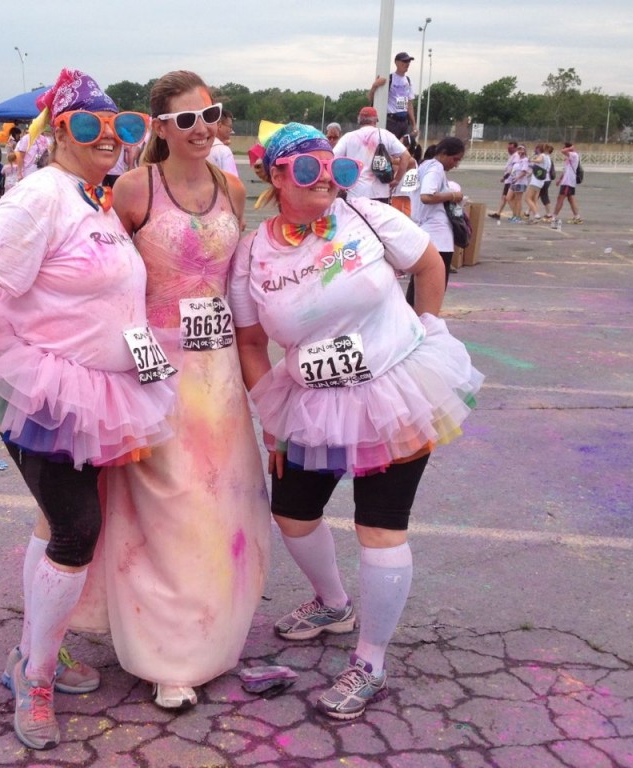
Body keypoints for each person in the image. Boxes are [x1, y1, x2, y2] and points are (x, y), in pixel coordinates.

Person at [0, 67, 172, 751]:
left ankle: (32, 652)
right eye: (89, 124)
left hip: (102, 389)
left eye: (124, 125)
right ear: (57, 130)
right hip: (44, 387)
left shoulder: (89, 196)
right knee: (77, 528)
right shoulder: (39, 194)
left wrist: (152, 369)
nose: (110, 136)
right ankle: (34, 677)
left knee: (55, 520)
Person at [230, 122, 482, 721]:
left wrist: (430, 326)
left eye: (335, 168)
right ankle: (333, 603)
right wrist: (269, 411)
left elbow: (429, 265)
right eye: (309, 170)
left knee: (380, 525)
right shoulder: (253, 252)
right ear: (274, 176)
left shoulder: (367, 217)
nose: (328, 181)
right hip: (310, 401)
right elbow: (250, 340)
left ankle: (370, 660)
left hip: (395, 388)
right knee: (292, 513)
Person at [79, 69, 270, 711]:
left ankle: (211, 635)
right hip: (155, 371)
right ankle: (165, 655)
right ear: (159, 125)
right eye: (185, 119)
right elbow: (109, 280)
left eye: (209, 114)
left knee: (220, 508)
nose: (200, 129)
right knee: (164, 506)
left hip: (216, 377)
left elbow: (237, 284)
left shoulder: (233, 189)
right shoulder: (133, 189)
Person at [408, 137, 465, 303]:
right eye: (455, 159)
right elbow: (427, 196)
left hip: (427, 232)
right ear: (444, 153)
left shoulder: (424, 167)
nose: (455, 164)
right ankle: (423, 321)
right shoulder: (436, 168)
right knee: (434, 287)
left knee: (419, 285)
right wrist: (454, 195)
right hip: (438, 236)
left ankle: (413, 320)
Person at [333, 106, 413, 203]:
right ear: (376, 120)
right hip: (381, 193)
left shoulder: (348, 137)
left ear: (359, 120)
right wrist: (397, 180)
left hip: (356, 193)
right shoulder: (386, 135)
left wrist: (341, 182)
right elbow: (406, 156)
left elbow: (333, 159)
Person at [368, 52, 416, 139]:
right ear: (396, 62)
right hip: (391, 121)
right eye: (404, 61)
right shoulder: (389, 79)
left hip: (404, 122)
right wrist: (375, 85)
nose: (407, 64)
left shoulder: (408, 81)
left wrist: (414, 125)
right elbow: (371, 98)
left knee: (402, 149)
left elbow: (409, 105)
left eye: (408, 61)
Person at [551, 142, 583, 227]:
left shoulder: (574, 155)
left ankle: (554, 216)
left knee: (560, 198)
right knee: (571, 199)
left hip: (568, 182)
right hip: (567, 181)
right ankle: (577, 216)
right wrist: (560, 179)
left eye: (565, 147)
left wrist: (570, 148)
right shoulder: (569, 157)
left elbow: (562, 151)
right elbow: (565, 170)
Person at [488, 142, 518, 219]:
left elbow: (513, 169)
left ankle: (516, 215)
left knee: (509, 198)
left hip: (511, 179)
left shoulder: (516, 156)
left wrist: (505, 177)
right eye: (508, 148)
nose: (509, 150)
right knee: (504, 197)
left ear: (515, 148)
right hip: (508, 179)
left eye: (511, 148)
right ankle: (498, 213)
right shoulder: (512, 155)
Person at [206, 107, 238, 177]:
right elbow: (233, 180)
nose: (231, 130)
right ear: (219, 126)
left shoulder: (200, 148)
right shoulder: (224, 151)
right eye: (230, 126)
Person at [506, 145, 530, 223]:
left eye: (522, 149)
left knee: (518, 199)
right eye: (519, 149)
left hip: (520, 182)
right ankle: (515, 215)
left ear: (525, 151)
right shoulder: (518, 159)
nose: (520, 151)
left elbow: (524, 171)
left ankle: (517, 217)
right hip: (514, 181)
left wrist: (518, 177)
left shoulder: (525, 160)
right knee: (508, 197)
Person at [525, 144, 548, 223]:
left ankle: (536, 215)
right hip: (540, 181)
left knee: (527, 198)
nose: (535, 150)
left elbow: (539, 160)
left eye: (536, 149)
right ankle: (536, 217)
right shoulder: (547, 157)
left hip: (536, 182)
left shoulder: (542, 155)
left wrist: (532, 160)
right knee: (534, 200)